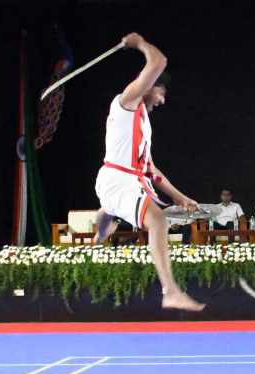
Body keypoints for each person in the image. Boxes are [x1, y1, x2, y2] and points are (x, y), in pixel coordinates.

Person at [93, 33, 204, 312]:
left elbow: (151, 170)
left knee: (114, 209)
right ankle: (170, 292)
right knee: (158, 221)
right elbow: (159, 61)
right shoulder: (127, 101)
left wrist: (180, 197)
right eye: (161, 92)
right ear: (150, 85)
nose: (162, 100)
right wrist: (140, 42)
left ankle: (101, 228)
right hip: (118, 179)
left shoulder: (143, 123)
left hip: (125, 180)